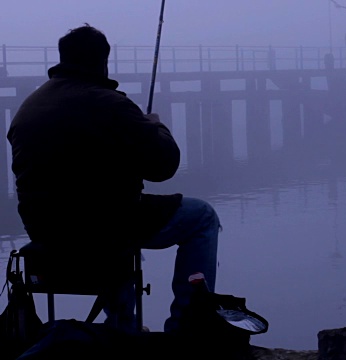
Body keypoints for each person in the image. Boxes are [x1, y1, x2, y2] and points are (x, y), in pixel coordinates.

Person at [6, 24, 221, 333]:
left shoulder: (29, 106)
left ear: (62, 57)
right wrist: (155, 126)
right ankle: (187, 324)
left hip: (44, 230)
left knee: (114, 218)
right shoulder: (110, 104)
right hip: (100, 228)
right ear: (103, 61)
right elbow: (164, 166)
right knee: (201, 216)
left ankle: (122, 325)